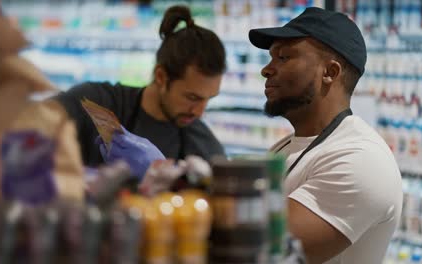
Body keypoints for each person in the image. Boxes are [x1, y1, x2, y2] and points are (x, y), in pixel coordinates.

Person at [248, 7, 402, 264]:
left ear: (330, 72)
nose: (267, 69)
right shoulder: (283, 147)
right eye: (270, 57)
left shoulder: (361, 159)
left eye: (284, 57)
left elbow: (263, 252)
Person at [55, 5, 226, 173]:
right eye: (192, 97)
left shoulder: (204, 147)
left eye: (208, 99)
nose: (199, 112)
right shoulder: (93, 102)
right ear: (161, 77)